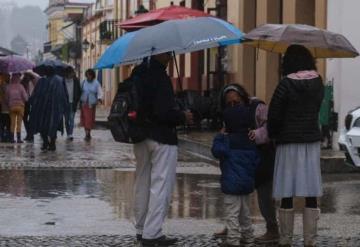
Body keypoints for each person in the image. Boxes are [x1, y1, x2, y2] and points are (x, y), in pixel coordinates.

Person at [132, 53, 193, 247]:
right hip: (161, 138)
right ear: (159, 52)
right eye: (167, 53)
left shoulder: (137, 73)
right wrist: (183, 115)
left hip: (140, 137)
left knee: (142, 181)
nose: (170, 56)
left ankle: (141, 228)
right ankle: (152, 232)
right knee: (161, 185)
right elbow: (164, 112)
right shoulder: (159, 77)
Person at [267, 45, 324, 247]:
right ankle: (310, 240)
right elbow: (317, 106)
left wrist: (273, 134)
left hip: (288, 142)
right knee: (311, 192)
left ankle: (286, 239)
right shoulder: (318, 82)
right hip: (310, 142)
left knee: (287, 191)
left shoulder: (285, 84)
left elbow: (274, 114)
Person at [214, 84, 279, 244]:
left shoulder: (258, 107)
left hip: (262, 154)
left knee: (264, 194)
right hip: (242, 158)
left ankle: (272, 228)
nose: (233, 107)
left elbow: (271, 126)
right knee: (240, 201)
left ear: (243, 98)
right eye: (229, 104)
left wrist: (257, 134)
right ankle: (233, 228)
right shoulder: (229, 114)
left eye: (236, 102)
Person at [212, 84, 260, 247]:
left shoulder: (227, 140)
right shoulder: (250, 139)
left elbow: (216, 151)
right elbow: (256, 160)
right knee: (245, 213)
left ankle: (232, 240)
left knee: (232, 213)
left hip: (231, 184)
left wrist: (220, 136)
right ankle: (248, 238)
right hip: (246, 184)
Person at [29, 66, 69, 151]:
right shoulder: (47, 81)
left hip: (50, 108)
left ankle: (49, 143)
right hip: (49, 108)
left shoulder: (54, 81)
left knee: (47, 126)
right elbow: (36, 93)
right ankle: (49, 143)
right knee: (48, 126)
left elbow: (35, 94)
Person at [80, 69, 103, 141]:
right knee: (85, 118)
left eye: (90, 75)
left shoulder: (96, 83)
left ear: (92, 75)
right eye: (87, 75)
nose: (88, 76)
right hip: (84, 103)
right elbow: (79, 91)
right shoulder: (83, 82)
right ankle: (86, 133)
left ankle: (88, 133)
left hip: (92, 103)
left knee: (90, 118)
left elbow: (100, 91)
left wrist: (99, 98)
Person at [5, 73, 28, 143]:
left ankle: (12, 138)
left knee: (12, 123)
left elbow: (6, 98)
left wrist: (9, 103)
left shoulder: (9, 87)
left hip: (11, 107)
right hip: (20, 106)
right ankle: (18, 138)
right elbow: (26, 98)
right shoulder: (21, 86)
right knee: (19, 123)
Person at [21, 71, 39, 143]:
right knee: (25, 119)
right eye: (26, 76)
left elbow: (36, 91)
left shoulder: (34, 82)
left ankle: (30, 135)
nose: (27, 77)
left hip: (33, 102)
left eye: (28, 76)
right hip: (26, 102)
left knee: (31, 120)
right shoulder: (22, 83)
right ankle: (29, 134)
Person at [64, 67, 81, 141]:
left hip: (73, 103)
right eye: (71, 72)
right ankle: (68, 133)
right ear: (67, 73)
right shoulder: (63, 81)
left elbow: (79, 91)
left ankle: (70, 134)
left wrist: (77, 100)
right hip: (65, 103)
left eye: (72, 72)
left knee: (71, 119)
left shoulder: (76, 80)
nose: (72, 74)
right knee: (66, 120)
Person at [0, 73, 10, 142]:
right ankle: (6, 137)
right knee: (7, 123)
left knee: (3, 124)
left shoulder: (3, 85)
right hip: (5, 108)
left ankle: (3, 137)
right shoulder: (5, 86)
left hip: (4, 108)